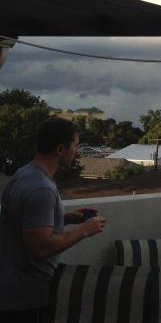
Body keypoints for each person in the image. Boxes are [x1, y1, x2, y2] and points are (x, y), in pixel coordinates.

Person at [0, 116, 107, 322]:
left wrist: (64, 219)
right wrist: (84, 229)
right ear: (60, 149)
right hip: (29, 300)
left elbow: (23, 225)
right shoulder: (41, 188)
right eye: (75, 146)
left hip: (12, 291)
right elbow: (41, 248)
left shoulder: (23, 174)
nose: (76, 151)